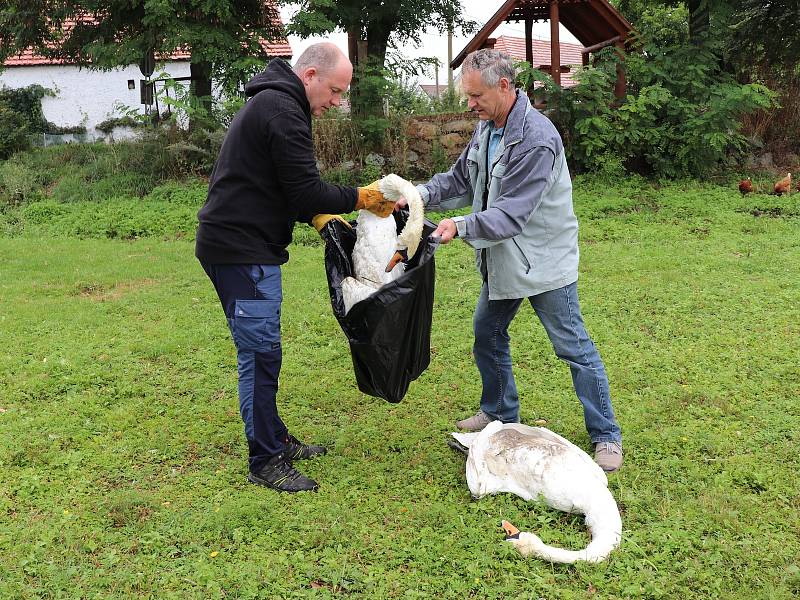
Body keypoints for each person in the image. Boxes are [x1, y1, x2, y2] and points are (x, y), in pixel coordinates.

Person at [195, 43, 398, 492]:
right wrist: (360, 197)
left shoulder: (276, 102)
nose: (337, 102)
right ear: (309, 75)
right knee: (261, 355)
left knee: (262, 352)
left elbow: (285, 186)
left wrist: (321, 214)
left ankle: (275, 438)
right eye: (335, 91)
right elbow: (305, 191)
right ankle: (265, 459)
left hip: (241, 246)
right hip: (241, 251)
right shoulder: (282, 109)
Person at [411, 49, 623, 471]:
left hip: (544, 263)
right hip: (505, 260)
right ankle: (499, 413)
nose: (470, 104)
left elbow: (512, 214)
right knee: (486, 332)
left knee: (573, 347)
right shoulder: (487, 128)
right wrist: (417, 194)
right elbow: (459, 179)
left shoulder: (537, 138)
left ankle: (606, 435)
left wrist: (459, 225)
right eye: (468, 96)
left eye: (476, 95)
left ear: (504, 86)